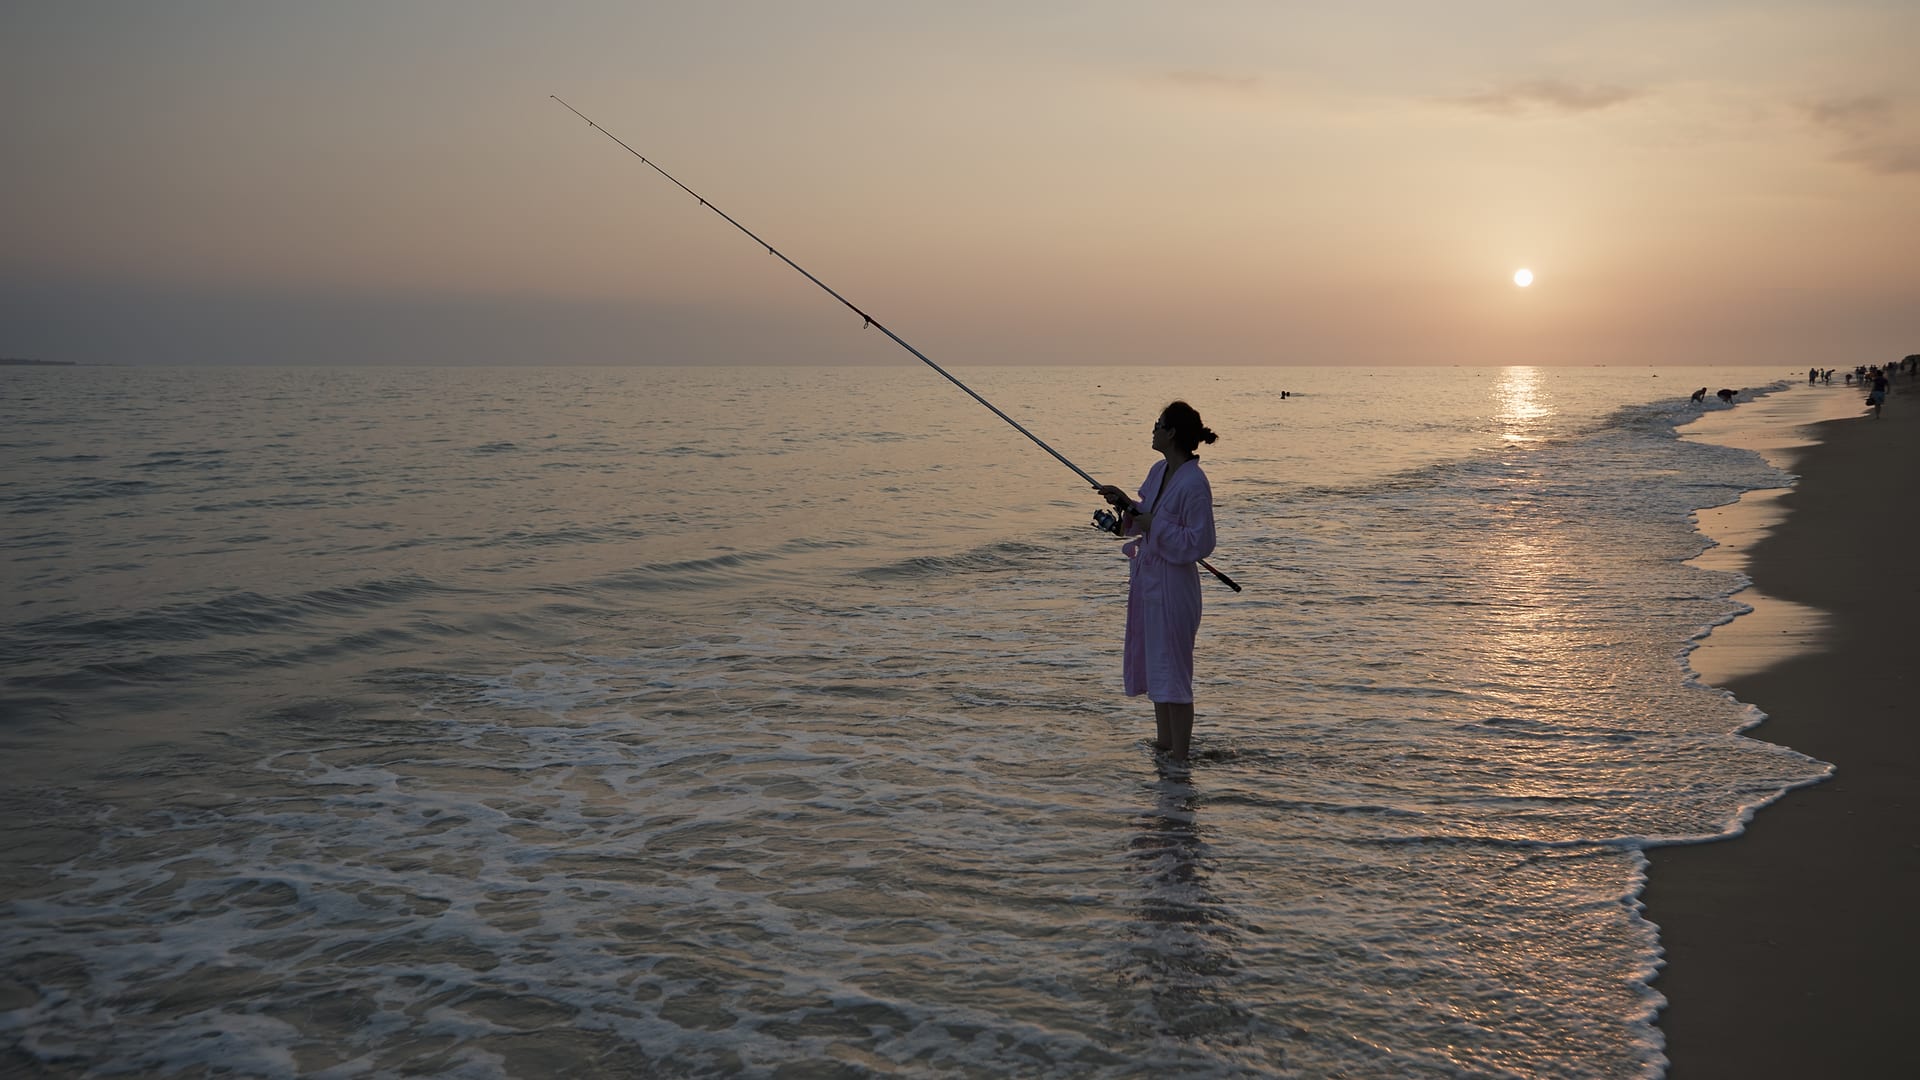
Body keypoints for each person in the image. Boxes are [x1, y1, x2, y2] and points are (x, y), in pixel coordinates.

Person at [1096, 401, 1218, 763]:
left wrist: (1154, 526)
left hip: (1174, 588)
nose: (1153, 429)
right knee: (1158, 669)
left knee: (1175, 673)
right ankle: (1164, 749)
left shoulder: (1194, 483)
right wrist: (1124, 504)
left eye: (1158, 424)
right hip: (1149, 583)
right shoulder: (1159, 469)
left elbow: (1200, 542)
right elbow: (1144, 515)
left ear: (1173, 432)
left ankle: (1181, 761)